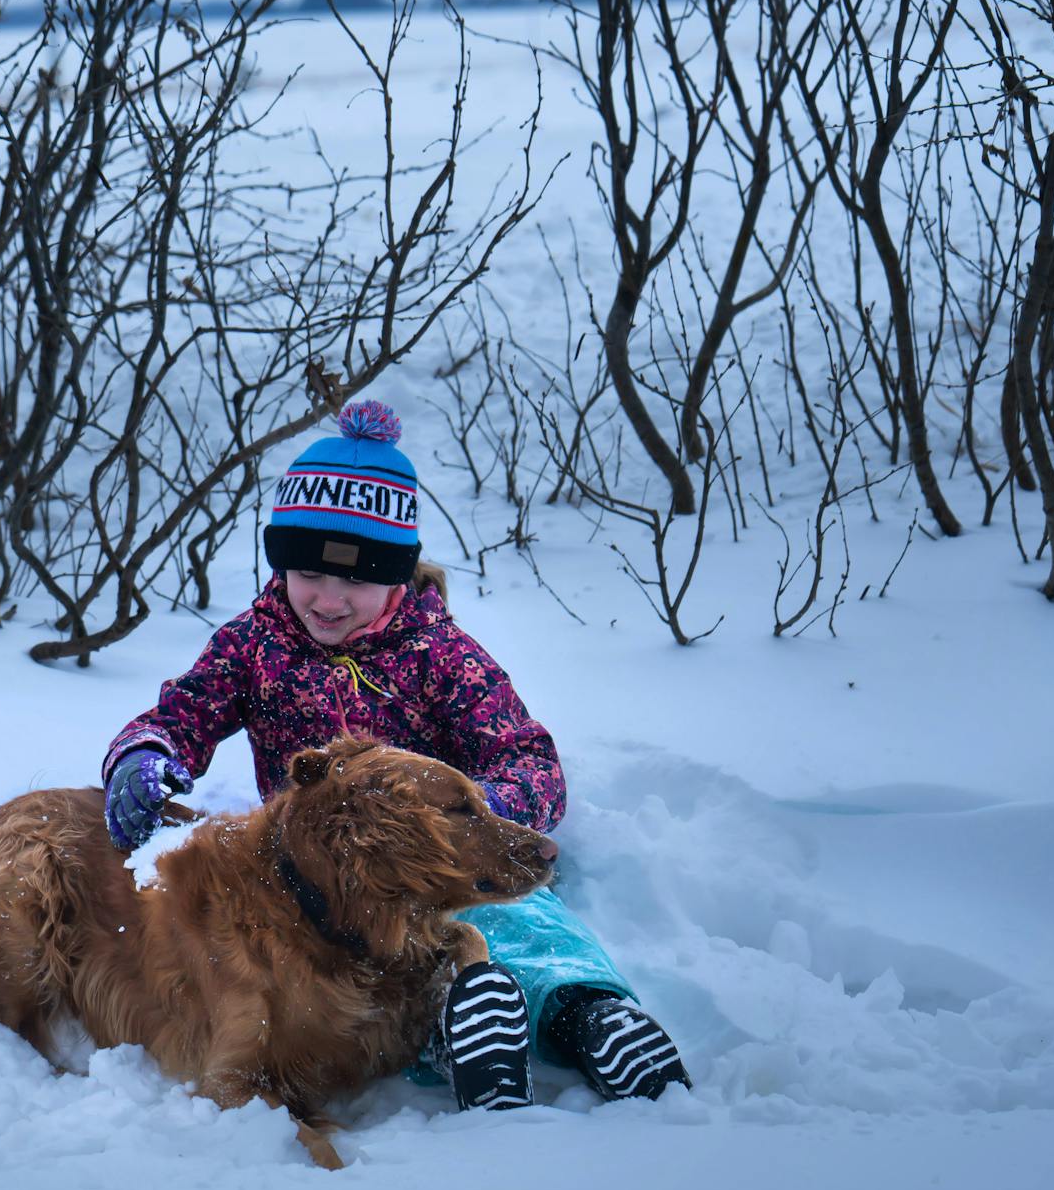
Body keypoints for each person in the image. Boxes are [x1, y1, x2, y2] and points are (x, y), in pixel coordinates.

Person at [99, 400, 691, 1111]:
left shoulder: (439, 655)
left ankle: (588, 1012)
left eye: (357, 577)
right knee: (347, 965)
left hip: (441, 861)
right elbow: (181, 714)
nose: (328, 598)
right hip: (315, 871)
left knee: (509, 920)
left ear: (398, 575)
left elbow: (529, 759)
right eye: (310, 572)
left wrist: (475, 816)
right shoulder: (252, 646)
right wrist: (145, 757)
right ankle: (449, 1034)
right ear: (281, 562)